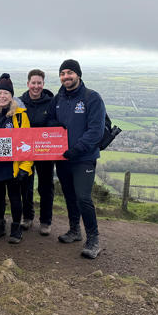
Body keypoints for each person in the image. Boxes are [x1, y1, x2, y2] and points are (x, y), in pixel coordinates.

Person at [49, 59, 105, 259]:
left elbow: (96, 131)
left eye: (70, 72)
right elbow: (51, 120)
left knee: (83, 197)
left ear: (78, 75)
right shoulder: (59, 98)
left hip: (84, 158)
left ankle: (93, 239)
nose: (66, 76)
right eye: (63, 73)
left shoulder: (92, 98)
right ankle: (74, 230)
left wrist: (76, 149)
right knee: (70, 196)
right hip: (63, 157)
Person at [0, 74, 33, 244]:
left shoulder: (20, 116)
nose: (2, 96)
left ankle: (16, 228)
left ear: (11, 96)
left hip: (13, 165)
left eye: (6, 93)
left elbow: (28, 142)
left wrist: (25, 168)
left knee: (15, 199)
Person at [19, 69, 55, 235]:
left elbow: (56, 124)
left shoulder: (51, 102)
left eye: (39, 83)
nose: (36, 86)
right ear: (28, 84)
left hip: (45, 152)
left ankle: (46, 221)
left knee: (45, 186)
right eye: (33, 83)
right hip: (25, 151)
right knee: (25, 184)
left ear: (43, 84)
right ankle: (27, 217)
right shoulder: (19, 102)